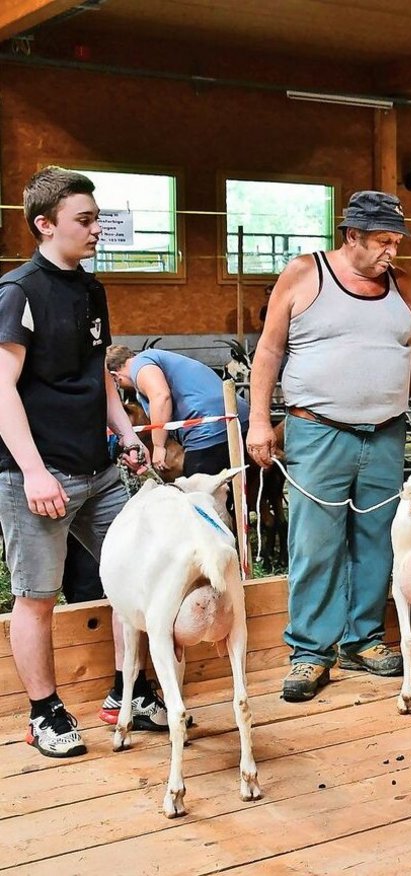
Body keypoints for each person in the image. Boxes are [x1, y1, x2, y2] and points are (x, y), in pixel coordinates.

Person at [247, 191, 411, 702]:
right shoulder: (305, 274)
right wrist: (259, 422)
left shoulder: (402, 285)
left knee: (377, 539)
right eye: (382, 241)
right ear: (352, 235)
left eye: (397, 242)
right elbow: (269, 350)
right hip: (318, 430)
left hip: (385, 432)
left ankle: (363, 639)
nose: (392, 252)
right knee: (315, 542)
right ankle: (310, 651)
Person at [0, 166, 156, 758]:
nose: (96, 230)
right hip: (40, 476)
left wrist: (128, 435)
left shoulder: (92, 289)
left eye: (98, 220)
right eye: (85, 220)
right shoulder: (18, 292)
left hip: (101, 471)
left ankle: (129, 693)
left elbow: (100, 376)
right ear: (45, 225)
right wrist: (34, 472)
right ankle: (44, 712)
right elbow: (1, 388)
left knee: (132, 579)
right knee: (37, 595)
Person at [106, 345, 250, 476]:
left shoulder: (141, 365)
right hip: (238, 419)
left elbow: (161, 396)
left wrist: (158, 446)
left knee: (198, 489)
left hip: (209, 430)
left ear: (114, 376)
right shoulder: (157, 359)